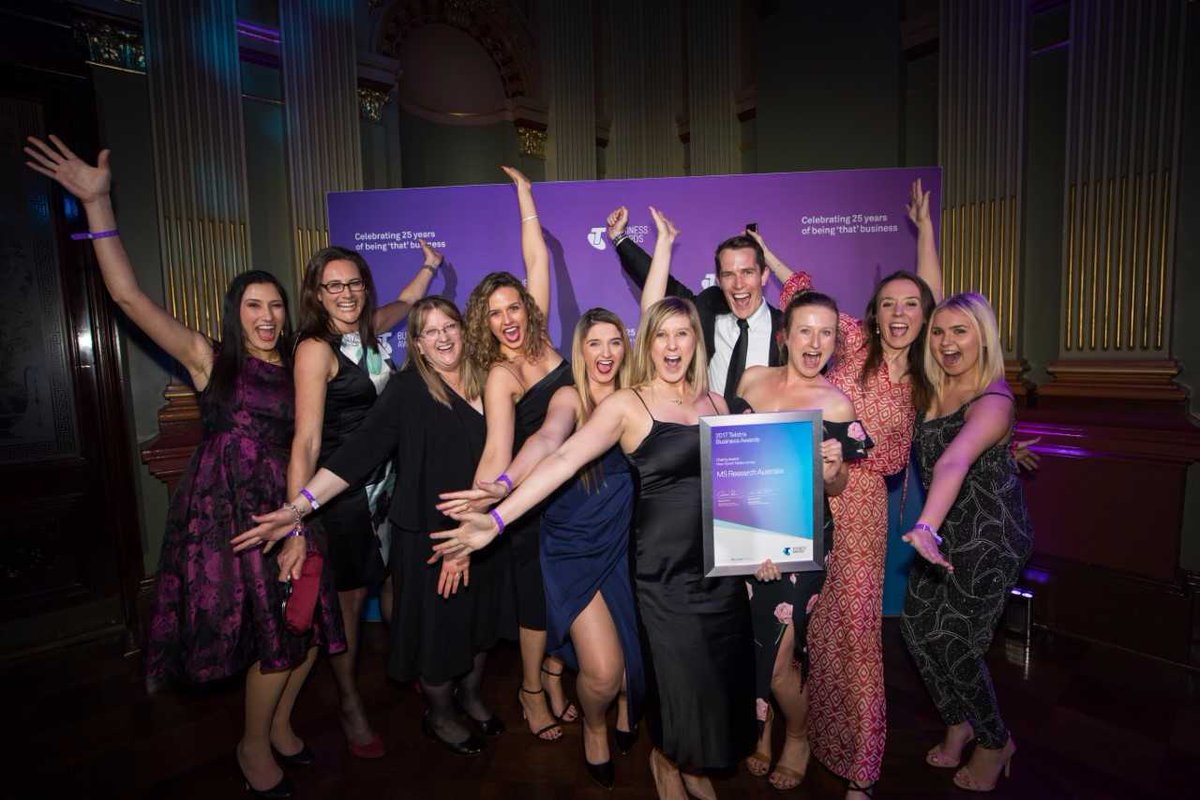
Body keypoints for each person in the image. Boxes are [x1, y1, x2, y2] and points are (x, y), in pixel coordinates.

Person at [24, 135, 345, 800]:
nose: (267, 315)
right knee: (273, 635)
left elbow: (324, 408)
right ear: (236, 312)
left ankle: (281, 727)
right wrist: (98, 204)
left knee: (308, 623)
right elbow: (128, 298)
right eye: (253, 305)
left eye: (275, 305)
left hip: (293, 497)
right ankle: (252, 747)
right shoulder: (209, 359)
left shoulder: (304, 359)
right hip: (232, 510)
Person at [433, 224, 756, 800]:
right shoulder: (619, 403)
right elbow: (555, 453)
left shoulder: (719, 404)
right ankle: (656, 755)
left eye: (683, 334)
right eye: (662, 336)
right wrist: (498, 514)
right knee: (631, 674)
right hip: (648, 566)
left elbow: (739, 488)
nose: (673, 345)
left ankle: (686, 761)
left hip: (705, 566)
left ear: (695, 341)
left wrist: (759, 552)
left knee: (705, 675)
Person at [236, 297, 508, 757]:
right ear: (416, 343)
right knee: (440, 633)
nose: (442, 338)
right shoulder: (406, 390)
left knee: (479, 622)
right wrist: (299, 507)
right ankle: (440, 715)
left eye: (449, 326)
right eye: (429, 331)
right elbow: (357, 454)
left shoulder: (490, 380)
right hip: (429, 534)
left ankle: (472, 696)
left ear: (464, 329)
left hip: (484, 530)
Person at [767, 179, 942, 799]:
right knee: (808, 629)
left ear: (925, 317)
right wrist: (766, 256)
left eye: (911, 306)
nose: (899, 314)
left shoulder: (927, 372)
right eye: (888, 303)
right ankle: (806, 734)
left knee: (858, 636)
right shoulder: (853, 341)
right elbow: (801, 298)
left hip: (863, 509)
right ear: (874, 313)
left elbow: (932, 298)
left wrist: (926, 232)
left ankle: (862, 769)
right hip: (804, 493)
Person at [439, 307, 643, 789]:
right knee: (603, 673)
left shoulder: (639, 397)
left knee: (631, 668)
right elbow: (548, 440)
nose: (606, 353)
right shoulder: (570, 396)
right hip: (574, 545)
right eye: (594, 343)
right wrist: (504, 484)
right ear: (580, 350)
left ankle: (616, 700)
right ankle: (594, 726)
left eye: (615, 341)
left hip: (625, 544)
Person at [287, 242, 439, 758]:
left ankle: (406, 663)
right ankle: (349, 702)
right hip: (345, 494)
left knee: (395, 579)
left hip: (390, 484)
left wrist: (429, 267)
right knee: (350, 604)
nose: (346, 293)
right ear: (317, 293)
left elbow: (407, 302)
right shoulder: (315, 349)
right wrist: (296, 519)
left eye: (354, 283)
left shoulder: (370, 327)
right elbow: (306, 441)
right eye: (334, 285)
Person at [734, 290, 873, 792]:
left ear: (836, 341)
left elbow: (835, 487)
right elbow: (730, 457)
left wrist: (833, 472)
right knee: (750, 644)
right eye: (805, 331)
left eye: (826, 333)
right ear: (785, 336)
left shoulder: (836, 403)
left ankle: (797, 734)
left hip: (799, 541)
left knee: (778, 664)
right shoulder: (751, 381)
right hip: (744, 533)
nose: (815, 343)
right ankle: (763, 723)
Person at [900, 293, 1032, 793]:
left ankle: (996, 742)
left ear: (984, 338)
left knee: (956, 642)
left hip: (991, 536)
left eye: (960, 331)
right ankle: (959, 722)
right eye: (938, 331)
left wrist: (925, 527)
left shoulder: (994, 399)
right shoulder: (936, 388)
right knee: (916, 628)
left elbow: (953, 460)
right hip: (948, 530)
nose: (946, 342)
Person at [462, 166, 576, 741]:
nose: (507, 319)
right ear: (484, 323)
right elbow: (497, 450)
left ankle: (554, 676)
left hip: (575, 487)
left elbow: (537, 260)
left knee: (569, 594)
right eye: (495, 313)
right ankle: (531, 690)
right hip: (532, 500)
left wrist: (526, 197)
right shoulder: (500, 376)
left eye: (513, 308)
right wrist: (478, 509)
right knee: (536, 601)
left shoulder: (546, 341)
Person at [606, 206, 784, 402]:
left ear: (764, 275)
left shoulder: (785, 328)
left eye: (747, 272)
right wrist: (619, 238)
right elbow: (662, 287)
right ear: (718, 280)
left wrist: (767, 253)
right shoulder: (707, 309)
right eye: (728, 275)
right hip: (705, 419)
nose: (738, 284)